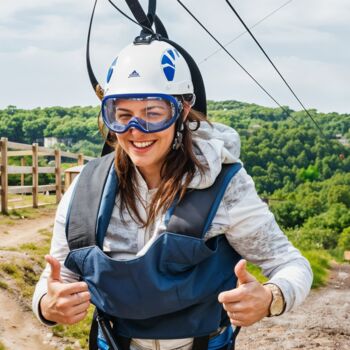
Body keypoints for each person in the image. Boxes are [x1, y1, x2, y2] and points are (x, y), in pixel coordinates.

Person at [32, 39, 312, 350]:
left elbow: (291, 264)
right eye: (122, 115)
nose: (137, 129)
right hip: (113, 342)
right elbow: (57, 276)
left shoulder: (225, 185)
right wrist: (46, 304)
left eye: (153, 112)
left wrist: (271, 298)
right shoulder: (86, 188)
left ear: (182, 110)